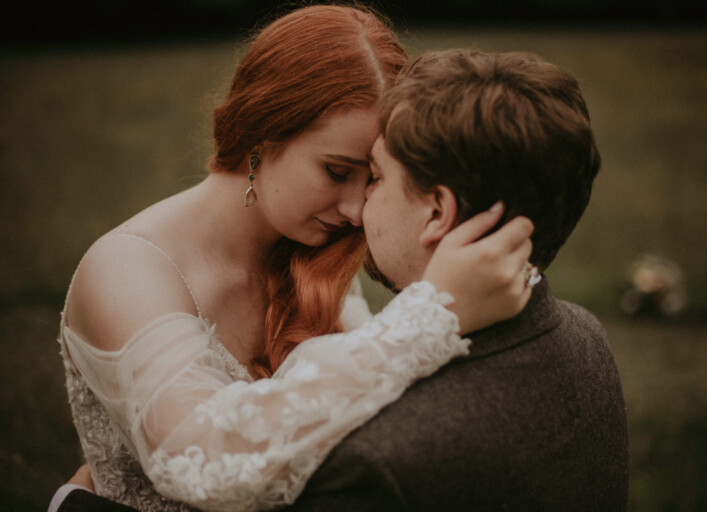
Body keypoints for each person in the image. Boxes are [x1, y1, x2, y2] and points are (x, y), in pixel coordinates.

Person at [51, 7, 535, 512]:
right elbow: (200, 462)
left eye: (370, 176)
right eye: (335, 171)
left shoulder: (315, 252)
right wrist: (434, 317)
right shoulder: (128, 268)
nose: (355, 210)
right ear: (265, 129)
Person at [281, 49, 629, 510]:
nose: (361, 201)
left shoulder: (373, 460)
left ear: (438, 213)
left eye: (378, 176)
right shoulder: (586, 336)